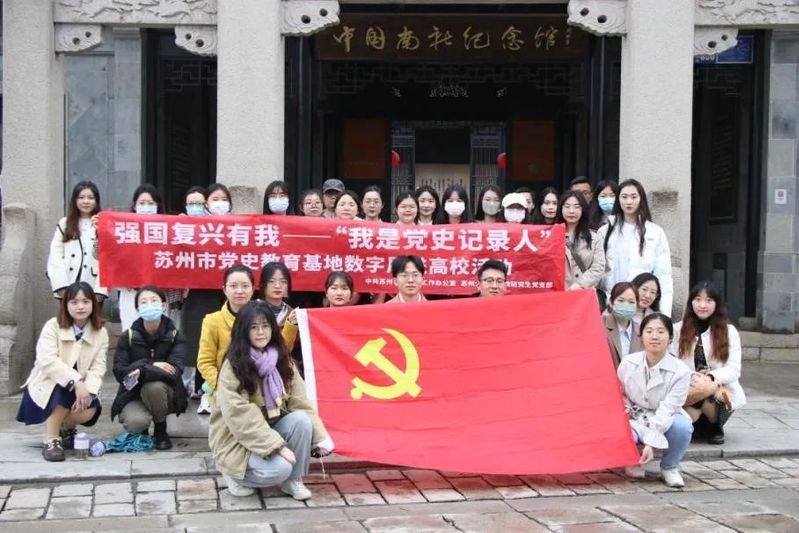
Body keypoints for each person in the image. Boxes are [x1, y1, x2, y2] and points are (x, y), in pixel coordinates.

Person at [209, 301, 334, 499]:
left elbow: (301, 402)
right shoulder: (233, 365)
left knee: (302, 420)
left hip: (269, 430)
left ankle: (293, 481)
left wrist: (320, 438)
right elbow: (240, 416)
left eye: (265, 326)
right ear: (243, 331)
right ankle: (234, 474)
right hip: (235, 439)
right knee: (280, 469)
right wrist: (278, 448)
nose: (261, 332)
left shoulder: (282, 359)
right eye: (254, 327)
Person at [16, 282, 108, 462]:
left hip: (82, 388)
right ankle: (52, 440)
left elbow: (99, 367)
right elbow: (47, 360)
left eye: (85, 301)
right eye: (74, 302)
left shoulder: (101, 332)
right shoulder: (53, 326)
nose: (80, 307)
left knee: (90, 410)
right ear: (66, 304)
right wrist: (76, 382)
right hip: (49, 385)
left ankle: (65, 429)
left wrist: (88, 391)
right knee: (63, 391)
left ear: (93, 304)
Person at [617, 313, 692, 488]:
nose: (654, 336)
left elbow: (668, 408)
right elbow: (619, 392)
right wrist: (624, 405)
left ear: (670, 338)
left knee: (682, 427)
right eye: (649, 331)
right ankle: (632, 460)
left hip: (663, 414)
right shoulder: (628, 363)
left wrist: (651, 442)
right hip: (634, 414)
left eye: (660, 331)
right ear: (641, 337)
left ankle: (669, 467)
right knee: (618, 425)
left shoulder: (681, 371)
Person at [111, 286, 187, 450]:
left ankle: (160, 430)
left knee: (153, 387)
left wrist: (141, 370)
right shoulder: (128, 336)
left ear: (164, 306)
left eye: (154, 301)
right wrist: (151, 365)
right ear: (137, 308)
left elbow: (174, 370)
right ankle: (143, 428)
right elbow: (120, 372)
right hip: (133, 393)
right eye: (143, 302)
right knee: (135, 423)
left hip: (165, 393)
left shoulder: (175, 336)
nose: (149, 305)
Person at [672, 282, 746, 445]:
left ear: (717, 303)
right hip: (688, 387)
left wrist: (711, 377)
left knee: (707, 391)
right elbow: (673, 362)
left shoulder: (729, 332)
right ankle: (699, 426)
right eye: (698, 299)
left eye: (708, 300)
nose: (702, 305)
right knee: (694, 396)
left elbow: (734, 369)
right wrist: (693, 377)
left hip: (718, 390)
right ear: (691, 302)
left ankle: (713, 426)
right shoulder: (677, 330)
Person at [598, 179, 673, 315]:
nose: (629, 202)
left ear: (641, 199)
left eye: (633, 197)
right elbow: (599, 269)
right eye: (624, 197)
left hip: (642, 305)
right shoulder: (605, 231)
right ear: (618, 199)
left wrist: (664, 314)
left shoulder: (655, 232)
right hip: (611, 302)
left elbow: (663, 275)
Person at [182, 186, 225, 401]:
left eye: (223, 199)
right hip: (197, 294)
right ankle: (200, 387)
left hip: (224, 293)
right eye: (215, 199)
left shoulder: (236, 227)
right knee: (199, 338)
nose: (219, 203)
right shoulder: (183, 226)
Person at [196, 265, 255, 415]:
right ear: (224, 289)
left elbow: (277, 351)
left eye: (245, 286)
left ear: (253, 289)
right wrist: (223, 387)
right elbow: (205, 362)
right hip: (223, 388)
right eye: (233, 286)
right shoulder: (212, 321)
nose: (239, 291)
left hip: (256, 388)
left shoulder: (261, 318)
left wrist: (290, 326)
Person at [47, 181, 108, 301]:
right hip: (68, 284)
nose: (86, 201)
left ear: (96, 201)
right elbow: (55, 255)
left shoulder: (103, 224)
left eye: (90, 198)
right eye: (81, 197)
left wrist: (100, 291)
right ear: (75, 200)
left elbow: (105, 258)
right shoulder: (64, 223)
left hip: (92, 286)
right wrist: (61, 286)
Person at [119, 184, 164, 331]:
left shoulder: (168, 230)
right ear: (134, 206)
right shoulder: (123, 229)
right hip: (130, 293)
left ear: (158, 206)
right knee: (131, 333)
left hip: (158, 293)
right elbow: (111, 259)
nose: (146, 207)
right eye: (142, 203)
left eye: (151, 203)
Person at [558, 191, 605, 293]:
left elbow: (598, 268)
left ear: (583, 209)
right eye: (567, 206)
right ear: (560, 209)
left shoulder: (594, 238)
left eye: (576, 207)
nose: (571, 211)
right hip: (558, 293)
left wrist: (579, 285)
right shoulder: (551, 235)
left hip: (583, 293)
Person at [603, 282, 643, 368]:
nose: (626, 305)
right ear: (611, 302)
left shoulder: (641, 331)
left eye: (631, 302)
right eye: (621, 301)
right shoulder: (600, 325)